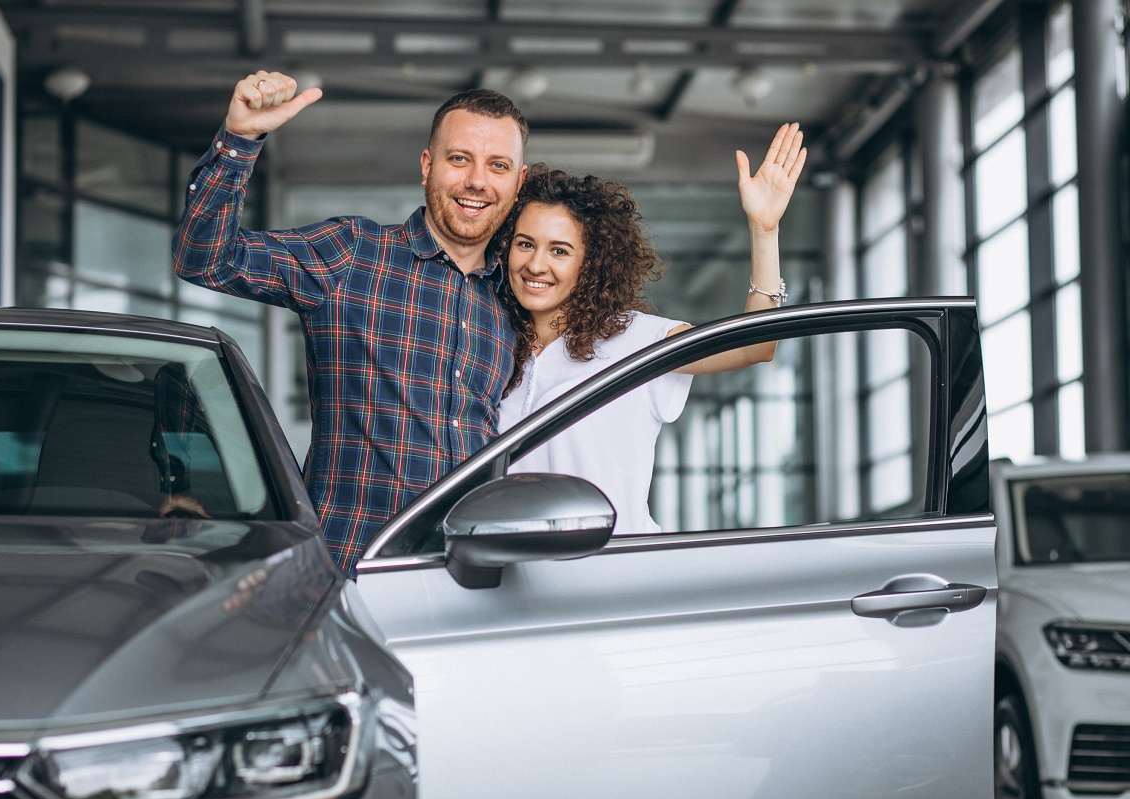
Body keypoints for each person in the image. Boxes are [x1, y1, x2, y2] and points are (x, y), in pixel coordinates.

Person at [173, 71, 528, 570]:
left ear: (518, 181)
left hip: (467, 575)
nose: (477, 180)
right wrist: (240, 140)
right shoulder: (352, 255)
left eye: (498, 165)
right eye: (459, 158)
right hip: (350, 573)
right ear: (427, 166)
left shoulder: (513, 300)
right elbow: (204, 257)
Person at [497, 123, 806, 534]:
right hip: (514, 580)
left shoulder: (633, 338)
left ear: (591, 263)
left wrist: (764, 230)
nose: (536, 265)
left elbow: (753, 347)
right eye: (525, 244)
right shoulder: (491, 343)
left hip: (619, 581)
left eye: (559, 251)